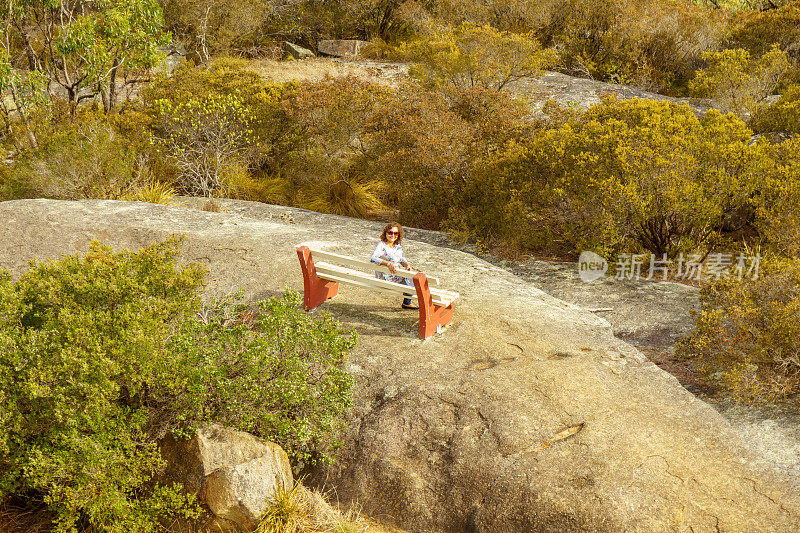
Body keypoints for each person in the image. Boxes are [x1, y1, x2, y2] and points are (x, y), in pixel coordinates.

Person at [371, 222, 418, 309]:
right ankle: (408, 302)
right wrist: (388, 263)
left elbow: (402, 258)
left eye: (395, 233)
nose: (393, 235)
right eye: (390, 232)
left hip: (395, 274)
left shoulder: (397, 246)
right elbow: (373, 258)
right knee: (414, 281)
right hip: (385, 277)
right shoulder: (382, 245)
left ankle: (407, 302)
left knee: (413, 278)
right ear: (385, 233)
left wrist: (407, 264)